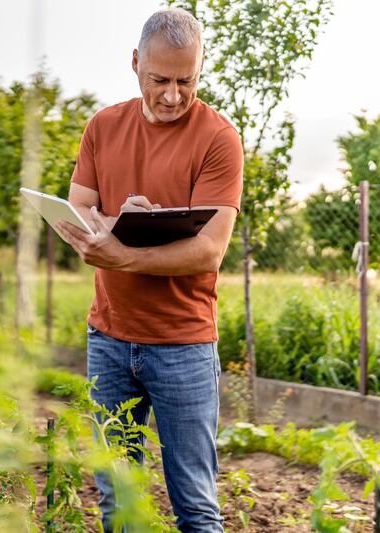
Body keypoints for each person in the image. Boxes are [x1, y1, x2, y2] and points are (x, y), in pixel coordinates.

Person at [56, 7, 243, 533]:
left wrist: (126, 252)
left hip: (182, 344)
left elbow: (209, 251)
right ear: (135, 63)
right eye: (159, 79)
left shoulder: (218, 139)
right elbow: (78, 215)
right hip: (109, 339)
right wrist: (122, 224)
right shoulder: (103, 126)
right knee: (119, 503)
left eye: (187, 80)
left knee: (196, 510)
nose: (172, 94)